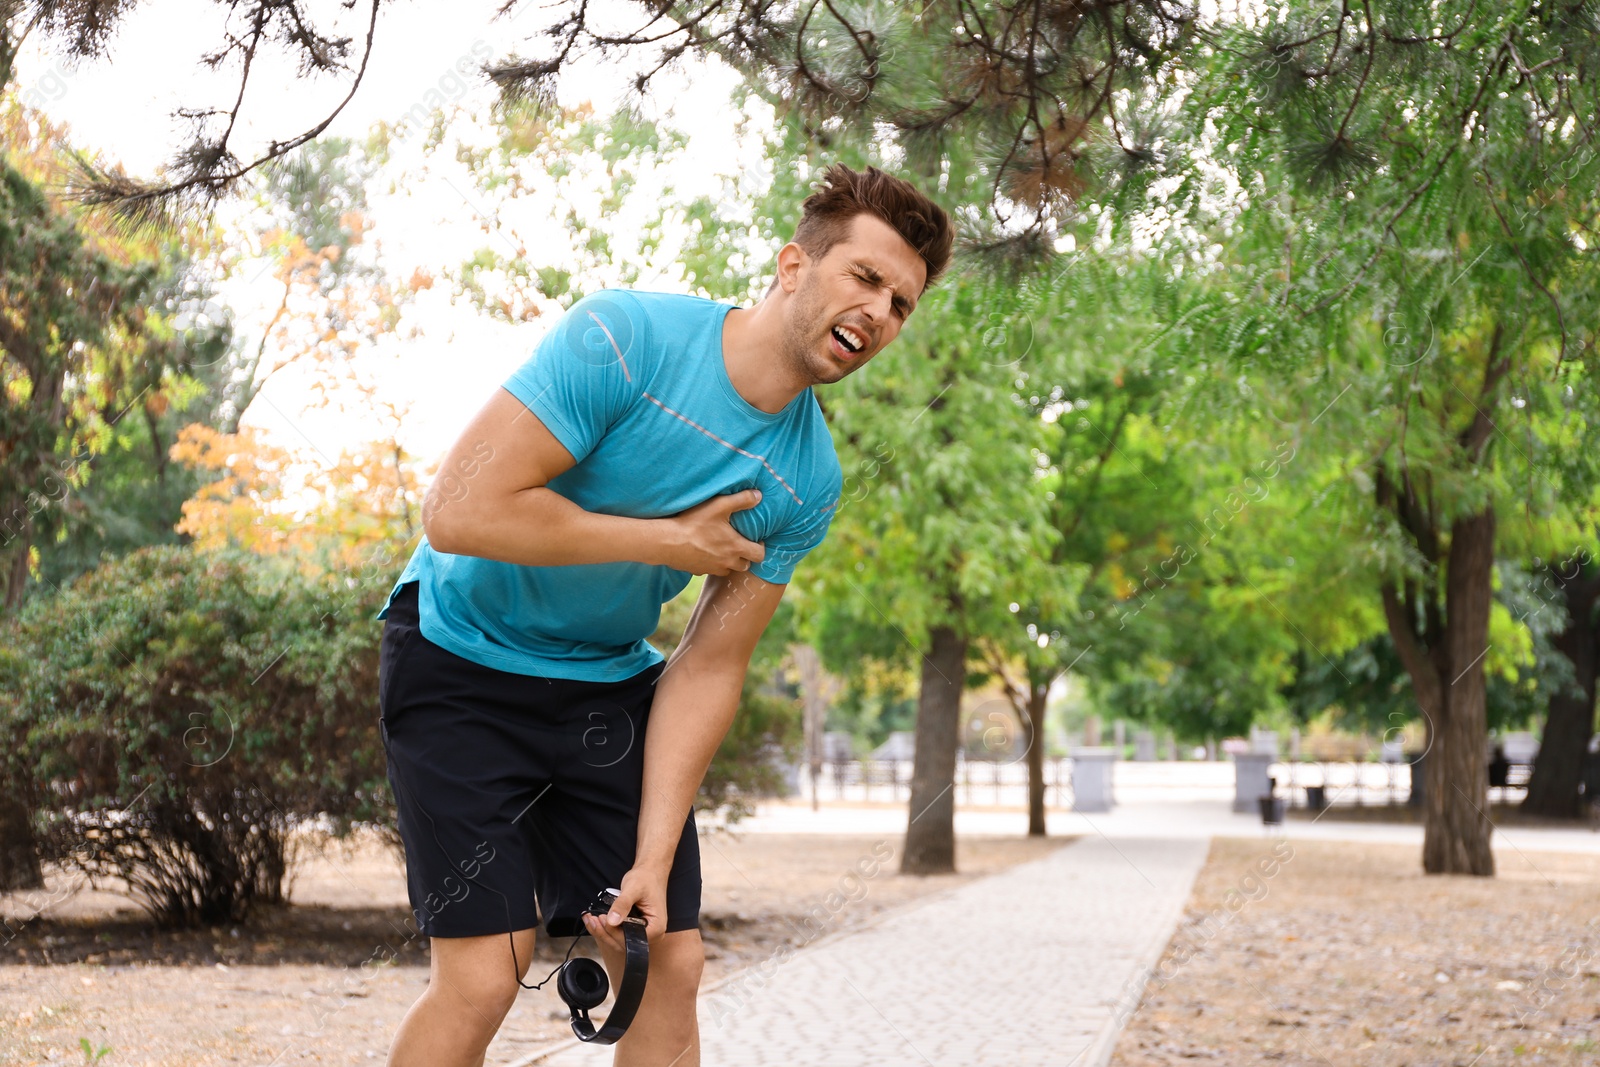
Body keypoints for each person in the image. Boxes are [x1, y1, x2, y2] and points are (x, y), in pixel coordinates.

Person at [376, 163, 954, 1067]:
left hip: (603, 681)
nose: (881, 312)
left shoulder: (805, 480)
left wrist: (651, 853)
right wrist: (667, 542)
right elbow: (458, 509)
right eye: (867, 279)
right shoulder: (624, 338)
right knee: (488, 976)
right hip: (460, 659)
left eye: (902, 304)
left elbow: (711, 665)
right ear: (793, 266)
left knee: (669, 963)